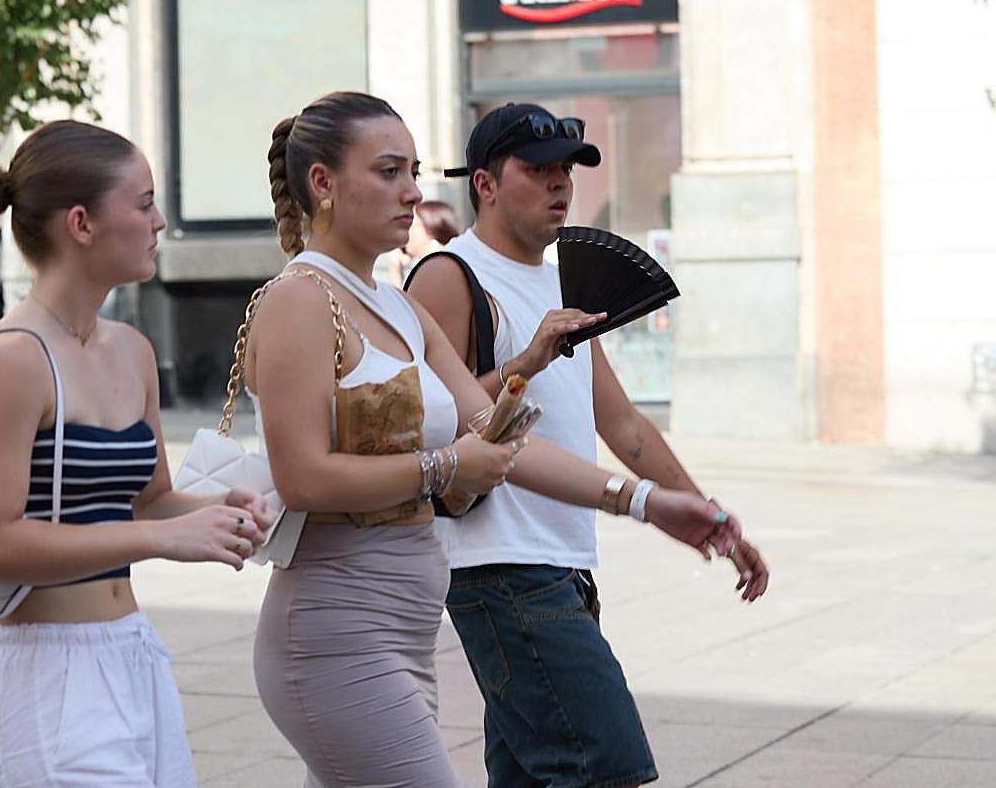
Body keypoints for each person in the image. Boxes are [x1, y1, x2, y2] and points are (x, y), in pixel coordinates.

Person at [246, 91, 745, 788]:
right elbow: (303, 477)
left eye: (413, 170)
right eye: (389, 172)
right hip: (337, 626)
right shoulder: (301, 298)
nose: (413, 192)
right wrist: (449, 463)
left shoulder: (399, 306)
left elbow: (497, 436)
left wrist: (645, 501)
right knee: (601, 765)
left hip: (403, 625)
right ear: (323, 184)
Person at [406, 102, 771, 788]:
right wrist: (528, 360)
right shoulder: (449, 276)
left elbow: (624, 425)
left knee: (537, 775)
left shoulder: (560, 279)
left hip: (564, 563)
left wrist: (705, 514)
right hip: (498, 566)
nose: (560, 185)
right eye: (538, 169)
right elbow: (435, 425)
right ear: (484, 184)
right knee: (606, 764)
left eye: (566, 169)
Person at [0, 120, 273, 787]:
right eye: (144, 202)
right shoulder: (11, 358)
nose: (160, 220)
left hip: (131, 652)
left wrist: (218, 512)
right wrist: (165, 540)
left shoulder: (130, 349)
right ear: (82, 223)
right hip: (48, 675)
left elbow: (150, 498)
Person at [386, 200, 461, 286]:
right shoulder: (448, 262)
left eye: (410, 225)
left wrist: (396, 276)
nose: (406, 231)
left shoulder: (437, 269)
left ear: (431, 228)